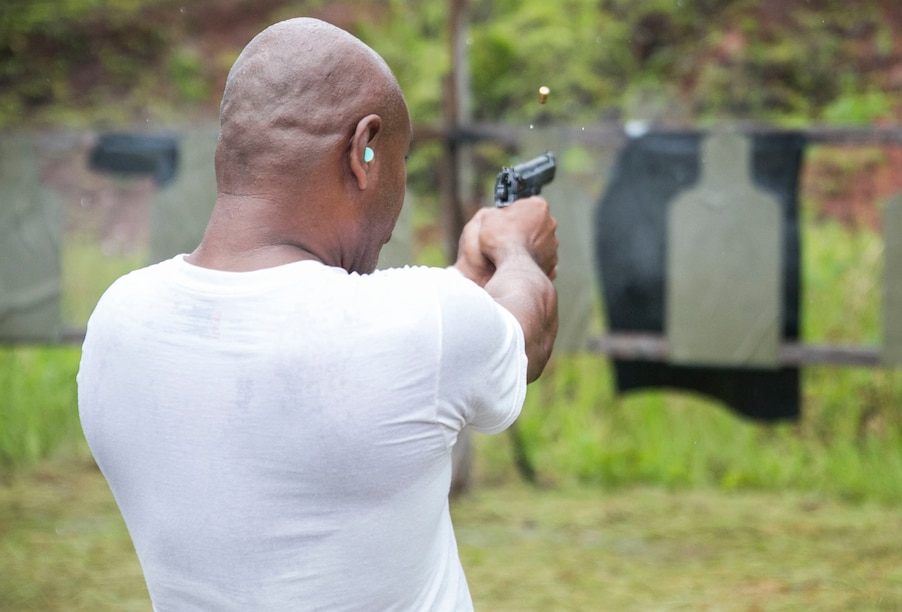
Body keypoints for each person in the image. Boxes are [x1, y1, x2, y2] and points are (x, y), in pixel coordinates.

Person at [77, 17, 558, 611]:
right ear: (364, 150)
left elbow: (361, 341)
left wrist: (464, 284)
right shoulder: (421, 327)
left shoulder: (118, 322)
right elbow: (523, 335)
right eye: (400, 162)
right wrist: (515, 248)